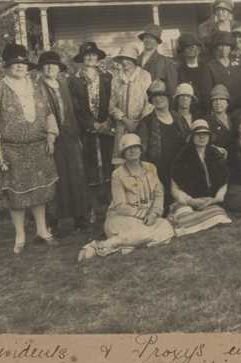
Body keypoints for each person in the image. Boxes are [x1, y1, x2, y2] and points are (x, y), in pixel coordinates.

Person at [0, 43, 58, 253]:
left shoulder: (35, 87)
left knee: (39, 192)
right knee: (16, 196)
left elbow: (49, 113)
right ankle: (20, 235)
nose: (20, 67)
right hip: (12, 151)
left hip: (38, 148)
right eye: (15, 64)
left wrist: (51, 136)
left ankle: (42, 230)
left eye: (23, 63)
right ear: (6, 67)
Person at [77, 133, 175, 262]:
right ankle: (101, 245)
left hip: (147, 218)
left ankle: (123, 243)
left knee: (167, 227)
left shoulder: (151, 168)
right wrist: (144, 215)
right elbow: (121, 206)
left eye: (136, 147)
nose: (133, 151)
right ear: (123, 152)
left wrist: (154, 214)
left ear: (141, 149)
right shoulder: (117, 174)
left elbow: (158, 194)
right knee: (145, 231)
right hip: (122, 218)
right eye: (129, 148)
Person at [38, 51, 90, 233]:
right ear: (41, 68)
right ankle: (53, 222)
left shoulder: (64, 84)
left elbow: (74, 110)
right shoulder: (37, 88)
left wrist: (77, 134)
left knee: (76, 176)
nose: (50, 68)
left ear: (59, 69)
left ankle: (80, 218)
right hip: (50, 138)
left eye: (53, 65)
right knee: (54, 179)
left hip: (70, 137)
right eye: (46, 65)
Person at [70, 41, 114, 219]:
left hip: (107, 128)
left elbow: (113, 100)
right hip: (86, 131)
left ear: (98, 58)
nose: (90, 58)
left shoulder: (107, 77)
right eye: (87, 55)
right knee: (90, 167)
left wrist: (107, 123)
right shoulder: (74, 80)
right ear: (82, 58)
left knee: (108, 164)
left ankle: (111, 205)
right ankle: (93, 208)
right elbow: (75, 107)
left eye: (93, 55)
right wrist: (91, 124)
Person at [167, 119, 233, 236]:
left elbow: (224, 181)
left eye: (205, 134)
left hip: (210, 200)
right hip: (189, 200)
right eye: (198, 134)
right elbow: (175, 188)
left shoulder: (215, 154)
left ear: (209, 137)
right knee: (183, 212)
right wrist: (191, 201)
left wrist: (215, 199)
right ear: (192, 137)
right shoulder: (182, 156)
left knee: (218, 214)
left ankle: (198, 220)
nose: (202, 137)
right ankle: (194, 220)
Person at [137, 79, 182, 214]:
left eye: (162, 95)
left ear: (168, 98)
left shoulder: (178, 118)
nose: (159, 99)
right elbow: (142, 153)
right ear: (151, 101)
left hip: (179, 169)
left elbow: (189, 141)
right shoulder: (146, 122)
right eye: (155, 97)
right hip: (158, 173)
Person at [109, 45, 153, 164]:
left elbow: (150, 102)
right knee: (121, 160)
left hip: (141, 124)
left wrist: (139, 121)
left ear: (134, 59)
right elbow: (111, 105)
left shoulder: (145, 76)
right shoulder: (116, 78)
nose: (124, 61)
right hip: (122, 125)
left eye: (128, 58)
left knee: (140, 158)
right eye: (122, 58)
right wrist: (124, 119)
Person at [136, 25, 179, 102]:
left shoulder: (166, 62)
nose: (148, 40)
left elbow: (172, 88)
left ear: (157, 41)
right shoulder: (135, 60)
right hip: (137, 103)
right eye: (146, 37)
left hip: (156, 103)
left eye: (152, 38)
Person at [206, 31, 241, 109]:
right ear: (216, 47)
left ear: (231, 48)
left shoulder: (237, 65)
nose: (224, 49)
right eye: (221, 45)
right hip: (220, 107)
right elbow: (208, 92)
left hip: (238, 107)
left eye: (227, 46)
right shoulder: (210, 66)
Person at [177, 33, 213, 111]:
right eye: (188, 47)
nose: (193, 49)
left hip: (206, 109)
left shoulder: (206, 67)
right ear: (183, 51)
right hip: (187, 110)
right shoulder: (179, 70)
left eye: (195, 46)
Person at [207, 84, 234, 150]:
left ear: (227, 103)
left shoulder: (234, 119)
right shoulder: (207, 122)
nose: (218, 102)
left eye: (221, 99)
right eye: (215, 100)